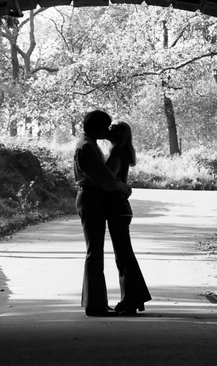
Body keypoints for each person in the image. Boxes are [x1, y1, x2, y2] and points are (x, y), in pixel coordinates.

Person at [73, 110, 132, 317]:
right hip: (91, 197)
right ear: (97, 127)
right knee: (95, 252)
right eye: (105, 127)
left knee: (95, 251)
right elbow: (105, 179)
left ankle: (96, 301)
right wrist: (124, 188)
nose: (107, 131)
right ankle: (95, 303)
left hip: (90, 197)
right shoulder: (87, 147)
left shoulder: (88, 144)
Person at [105, 121, 152, 315]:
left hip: (117, 208)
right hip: (121, 208)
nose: (107, 131)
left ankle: (130, 300)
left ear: (118, 136)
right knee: (124, 256)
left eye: (111, 130)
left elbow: (107, 179)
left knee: (123, 258)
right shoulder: (122, 153)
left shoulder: (117, 155)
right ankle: (132, 299)